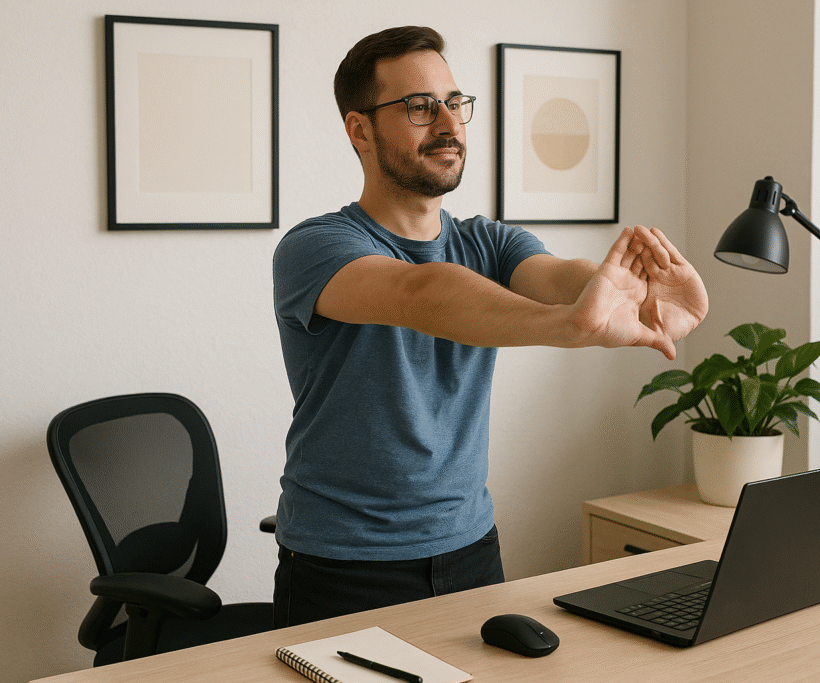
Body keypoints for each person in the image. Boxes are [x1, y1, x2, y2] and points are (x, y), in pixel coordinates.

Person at [271, 26, 708, 628]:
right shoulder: (317, 248)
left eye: (455, 103)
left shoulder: (491, 241)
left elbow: (557, 275)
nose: (448, 125)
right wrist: (571, 327)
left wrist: (632, 293)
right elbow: (422, 293)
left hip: (469, 548)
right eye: (420, 108)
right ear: (359, 130)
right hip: (342, 565)